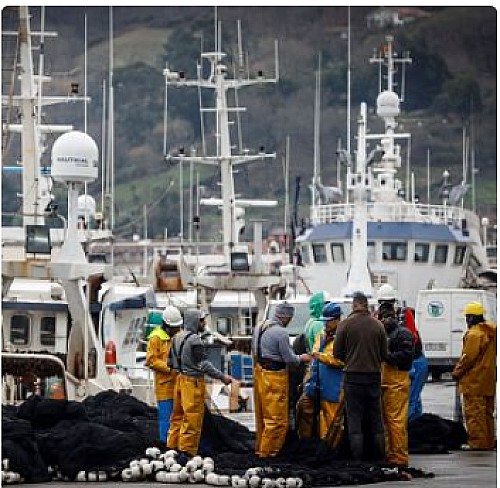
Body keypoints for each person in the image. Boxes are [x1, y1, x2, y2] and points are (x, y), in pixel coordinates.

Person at [167, 308, 235, 456]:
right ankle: (186, 454)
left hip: (179, 381)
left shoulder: (176, 338)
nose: (204, 323)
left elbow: (170, 363)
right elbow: (203, 364)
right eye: (201, 320)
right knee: (192, 420)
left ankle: (171, 450)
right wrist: (222, 377)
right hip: (193, 383)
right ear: (195, 321)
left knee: (177, 417)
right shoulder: (195, 340)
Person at [334, 291, 388, 462]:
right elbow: (384, 354)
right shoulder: (378, 325)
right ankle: (380, 458)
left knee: (355, 421)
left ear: (355, 305)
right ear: (366, 305)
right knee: (376, 421)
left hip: (352, 378)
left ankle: (357, 460)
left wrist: (350, 359)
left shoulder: (345, 325)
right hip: (373, 377)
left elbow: (336, 352)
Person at [252, 302, 311, 458]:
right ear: (286, 317)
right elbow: (289, 359)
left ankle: (260, 448)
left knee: (263, 418)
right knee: (277, 420)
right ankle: (268, 454)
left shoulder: (260, 326)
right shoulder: (281, 333)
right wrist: (302, 358)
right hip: (274, 377)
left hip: (260, 373)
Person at [296, 302, 345, 439]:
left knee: (332, 420)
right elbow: (314, 358)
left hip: (333, 384)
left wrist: (321, 357)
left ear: (337, 320)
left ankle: (331, 449)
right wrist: (307, 380)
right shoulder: (322, 334)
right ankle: (306, 444)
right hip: (316, 382)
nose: (326, 324)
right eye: (324, 321)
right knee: (304, 409)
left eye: (328, 321)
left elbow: (343, 360)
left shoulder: (343, 336)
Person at [452, 302, 496, 451]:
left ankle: (478, 443)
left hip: (474, 381)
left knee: (475, 413)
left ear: (471, 318)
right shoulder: (490, 332)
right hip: (488, 380)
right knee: (487, 413)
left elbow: (468, 358)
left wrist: (457, 372)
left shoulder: (474, 334)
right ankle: (489, 441)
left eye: (467, 317)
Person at [377, 291, 414, 467]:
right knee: (387, 421)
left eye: (388, 316)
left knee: (396, 422)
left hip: (397, 382)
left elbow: (407, 356)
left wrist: (387, 356)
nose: (385, 320)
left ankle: (399, 456)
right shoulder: (384, 334)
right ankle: (390, 454)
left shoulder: (403, 334)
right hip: (386, 382)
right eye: (383, 317)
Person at [145, 306, 182, 445]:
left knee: (179, 418)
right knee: (166, 420)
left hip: (179, 384)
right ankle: (165, 446)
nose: (177, 330)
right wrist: (170, 368)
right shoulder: (156, 338)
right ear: (166, 325)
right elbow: (151, 360)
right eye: (174, 327)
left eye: (178, 327)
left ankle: (178, 445)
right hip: (165, 387)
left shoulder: (178, 335)